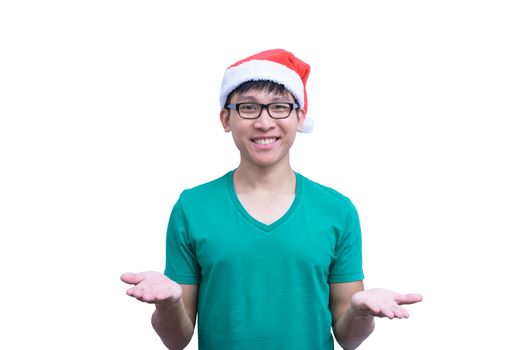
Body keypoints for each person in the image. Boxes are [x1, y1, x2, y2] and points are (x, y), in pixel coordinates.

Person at [121, 49, 423, 350]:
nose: (265, 122)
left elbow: (348, 337)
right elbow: (177, 340)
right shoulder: (192, 207)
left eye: (279, 107)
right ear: (226, 118)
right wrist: (168, 304)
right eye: (248, 108)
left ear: (300, 117)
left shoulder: (337, 210)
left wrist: (359, 313)